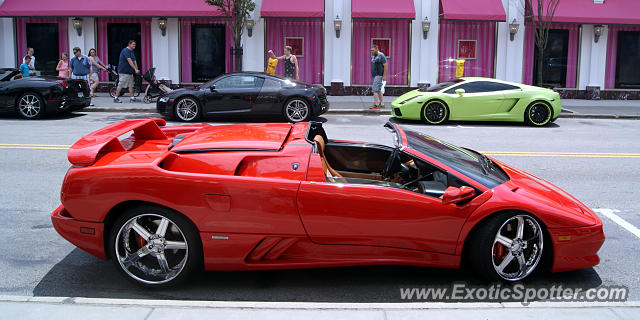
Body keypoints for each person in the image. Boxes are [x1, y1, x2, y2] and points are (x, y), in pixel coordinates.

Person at [369, 44, 388, 110]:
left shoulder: (381, 55)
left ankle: (375, 104)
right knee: (379, 90)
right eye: (371, 50)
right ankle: (382, 104)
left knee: (375, 90)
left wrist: (384, 76)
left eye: (373, 50)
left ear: (377, 49)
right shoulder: (374, 56)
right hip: (375, 75)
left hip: (379, 75)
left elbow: (385, 65)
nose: (371, 51)